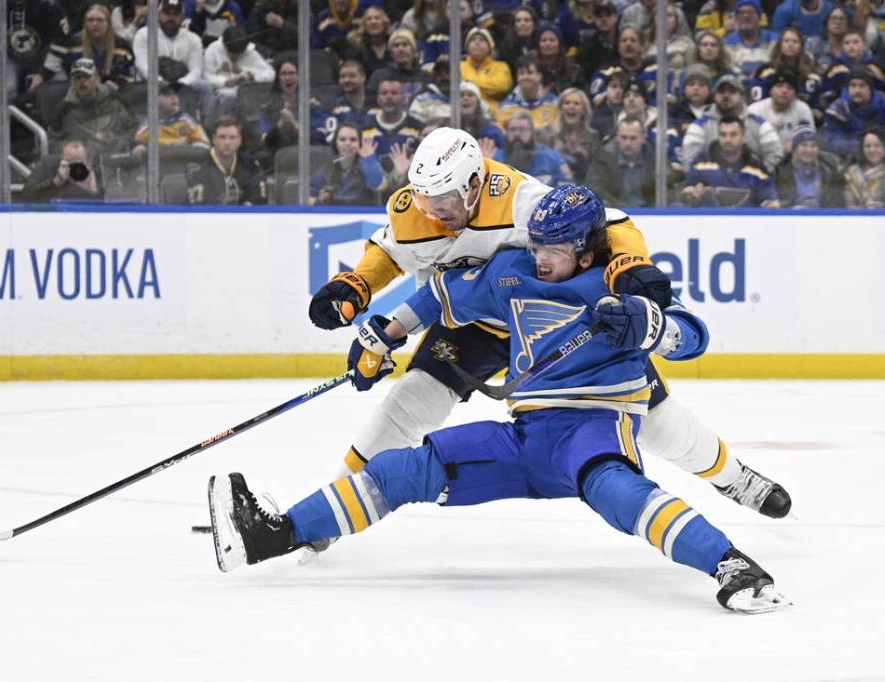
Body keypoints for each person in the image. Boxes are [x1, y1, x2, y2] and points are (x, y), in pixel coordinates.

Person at [213, 185, 790, 615]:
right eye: (536, 244)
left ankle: (735, 566)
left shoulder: (621, 283)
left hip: (594, 428)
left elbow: (694, 336)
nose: (541, 257)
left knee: (622, 493)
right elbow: (439, 297)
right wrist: (383, 335)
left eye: (555, 249)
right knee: (402, 469)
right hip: (524, 435)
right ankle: (275, 535)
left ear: (589, 249)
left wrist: (649, 325)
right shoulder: (512, 268)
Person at [306, 126, 792, 556]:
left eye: (447, 201)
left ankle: (735, 479)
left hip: (545, 316)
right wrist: (360, 289)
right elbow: (392, 253)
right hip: (471, 317)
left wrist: (630, 266)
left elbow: (613, 224)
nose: (436, 213)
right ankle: (330, 511)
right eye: (427, 200)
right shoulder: (418, 207)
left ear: (475, 183)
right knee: (407, 403)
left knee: (659, 419)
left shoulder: (520, 198)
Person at [679, 74, 783, 172]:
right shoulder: (699, 126)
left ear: (741, 95)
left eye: (731, 91)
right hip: (711, 186)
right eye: (721, 92)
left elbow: (775, 155)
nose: (726, 96)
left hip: (753, 184)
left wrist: (757, 178)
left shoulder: (760, 124)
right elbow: (688, 160)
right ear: (714, 96)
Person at [681, 117, 780, 208]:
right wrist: (692, 195)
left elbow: (770, 201)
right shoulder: (700, 165)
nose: (728, 140)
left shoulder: (758, 171)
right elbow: (686, 193)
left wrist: (770, 204)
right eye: (723, 135)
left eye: (733, 135)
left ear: (743, 137)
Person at [48, 58, 137, 156]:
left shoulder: (114, 101)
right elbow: (52, 142)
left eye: (86, 77)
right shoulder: (64, 109)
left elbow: (132, 129)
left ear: (97, 79)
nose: (81, 82)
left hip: (114, 160)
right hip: (79, 164)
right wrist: (70, 150)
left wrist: (117, 145)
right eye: (77, 78)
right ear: (72, 82)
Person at [185, 117, 266, 205]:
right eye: (222, 137)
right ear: (213, 139)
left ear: (239, 140)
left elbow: (259, 199)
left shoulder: (251, 166)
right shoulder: (198, 167)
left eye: (232, 137)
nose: (227, 142)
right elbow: (199, 206)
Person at [203, 24, 276, 117]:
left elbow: (271, 74)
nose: (235, 57)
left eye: (239, 54)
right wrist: (225, 82)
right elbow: (206, 76)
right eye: (232, 54)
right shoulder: (213, 50)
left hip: (247, 97)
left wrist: (254, 76)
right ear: (225, 45)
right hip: (219, 96)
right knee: (227, 95)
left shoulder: (251, 53)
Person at [585, 117, 658, 207]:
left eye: (633, 138)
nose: (628, 143)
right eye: (624, 138)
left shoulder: (655, 159)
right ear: (617, 137)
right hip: (615, 213)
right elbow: (596, 189)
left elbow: (667, 189)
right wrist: (619, 206)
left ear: (643, 138)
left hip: (650, 214)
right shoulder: (603, 158)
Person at [65, 4, 136, 93]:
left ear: (108, 23)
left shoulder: (121, 45)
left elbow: (129, 75)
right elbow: (69, 72)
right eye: (90, 20)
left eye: (100, 20)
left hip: (114, 93)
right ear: (85, 23)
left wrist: (118, 85)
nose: (95, 24)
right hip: (82, 93)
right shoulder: (75, 43)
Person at [745, 68, 815, 155]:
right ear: (770, 90)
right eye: (779, 86)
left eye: (789, 88)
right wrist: (780, 149)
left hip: (793, 158)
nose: (784, 91)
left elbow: (808, 139)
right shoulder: (754, 110)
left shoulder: (802, 109)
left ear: (795, 94)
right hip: (761, 158)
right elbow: (749, 145)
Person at [310, 122, 382, 205]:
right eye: (342, 139)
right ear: (335, 143)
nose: (347, 143)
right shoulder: (325, 169)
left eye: (353, 140)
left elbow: (375, 183)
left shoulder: (369, 165)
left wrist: (369, 160)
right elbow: (310, 200)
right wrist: (320, 201)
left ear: (360, 143)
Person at [493, 110, 572, 185]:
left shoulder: (552, 157)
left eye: (522, 129)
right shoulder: (496, 159)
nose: (517, 133)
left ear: (532, 132)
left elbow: (569, 186)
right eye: (512, 129)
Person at [824, 66, 885, 160]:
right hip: (849, 159)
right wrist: (863, 147)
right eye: (853, 85)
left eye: (862, 85)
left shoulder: (883, 105)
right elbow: (832, 141)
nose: (857, 90)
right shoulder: (839, 108)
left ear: (871, 88)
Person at [131, 84, 210, 156]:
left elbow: (203, 143)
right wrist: (139, 147)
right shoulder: (148, 124)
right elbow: (138, 142)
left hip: (183, 162)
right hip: (158, 165)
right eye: (167, 94)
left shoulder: (186, 120)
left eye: (175, 93)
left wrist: (195, 149)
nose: (174, 97)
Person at [775, 127, 844, 208]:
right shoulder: (781, 171)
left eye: (813, 146)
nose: (809, 150)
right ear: (795, 148)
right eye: (804, 145)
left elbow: (836, 203)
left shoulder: (829, 171)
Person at [19, 139, 102, 202]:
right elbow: (25, 196)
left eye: (77, 162)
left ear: (89, 162)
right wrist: (54, 182)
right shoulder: (49, 165)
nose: (73, 167)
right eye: (68, 161)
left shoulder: (99, 171)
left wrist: (93, 190)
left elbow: (111, 206)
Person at [497, 55, 560, 130]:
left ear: (539, 76)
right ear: (517, 77)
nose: (525, 77)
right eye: (521, 73)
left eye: (530, 73)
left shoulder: (554, 103)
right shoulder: (506, 106)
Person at [461, 27, 515, 113]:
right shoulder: (458, 66)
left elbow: (502, 87)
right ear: (467, 46)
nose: (477, 42)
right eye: (472, 40)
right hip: (463, 110)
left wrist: (470, 85)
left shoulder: (501, 66)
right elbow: (454, 89)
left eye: (482, 40)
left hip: (492, 111)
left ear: (490, 46)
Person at [722, 0, 779, 77]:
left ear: (760, 18)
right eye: (741, 13)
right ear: (736, 18)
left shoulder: (775, 41)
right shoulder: (726, 44)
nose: (746, 16)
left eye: (751, 12)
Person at [843, 127, 885, 208]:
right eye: (868, 146)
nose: (872, 150)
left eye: (877, 145)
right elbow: (847, 206)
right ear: (862, 149)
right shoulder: (850, 173)